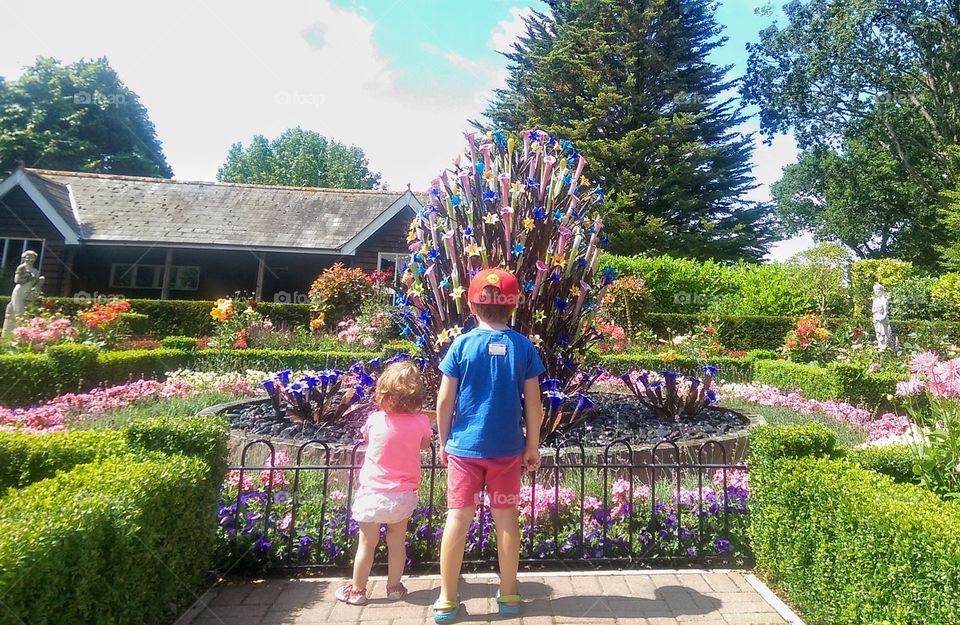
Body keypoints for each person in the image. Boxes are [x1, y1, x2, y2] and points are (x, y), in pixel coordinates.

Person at [433, 268, 545, 623]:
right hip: (508, 450)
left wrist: (443, 440)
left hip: (464, 450)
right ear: (515, 306)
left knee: (457, 518)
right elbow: (534, 404)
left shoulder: (462, 345)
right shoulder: (523, 346)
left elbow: (444, 401)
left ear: (470, 303)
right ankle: (509, 595)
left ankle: (447, 600)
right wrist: (532, 445)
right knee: (506, 518)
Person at [335, 360, 433, 606]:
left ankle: (358, 590)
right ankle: (394, 587)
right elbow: (423, 444)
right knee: (397, 542)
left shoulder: (375, 420)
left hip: (373, 493)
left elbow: (366, 436)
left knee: (366, 544)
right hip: (402, 494)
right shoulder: (421, 422)